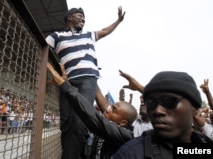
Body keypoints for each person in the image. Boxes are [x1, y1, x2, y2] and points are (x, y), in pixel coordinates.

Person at [46, 6, 125, 159]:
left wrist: (118, 21)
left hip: (87, 80)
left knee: (79, 121)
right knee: (66, 123)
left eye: (84, 17)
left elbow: (105, 31)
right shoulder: (56, 36)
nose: (83, 19)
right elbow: (42, 48)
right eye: (79, 16)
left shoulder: (89, 35)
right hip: (67, 81)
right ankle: (72, 154)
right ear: (70, 18)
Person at [112, 71, 213, 159]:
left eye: (169, 101)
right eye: (151, 102)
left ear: (194, 109)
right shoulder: (131, 154)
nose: (157, 111)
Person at [46, 63, 137, 159]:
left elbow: (91, 115)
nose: (107, 110)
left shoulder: (126, 136)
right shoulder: (109, 127)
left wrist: (64, 85)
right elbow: (98, 95)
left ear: (123, 122)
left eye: (114, 110)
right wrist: (89, 72)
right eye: (111, 107)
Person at [119, 70, 153, 137]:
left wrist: (139, 87)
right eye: (142, 102)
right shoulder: (134, 122)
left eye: (145, 102)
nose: (142, 104)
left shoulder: (159, 126)